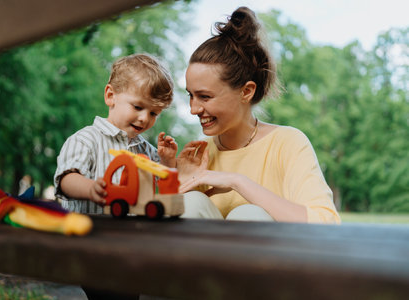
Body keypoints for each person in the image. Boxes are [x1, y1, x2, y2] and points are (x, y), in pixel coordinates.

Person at [174, 7, 340, 223]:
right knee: (192, 201)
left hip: (268, 256)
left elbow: (326, 223)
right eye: (191, 95)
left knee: (249, 214)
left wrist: (237, 181)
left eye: (204, 97)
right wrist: (180, 185)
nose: (194, 109)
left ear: (246, 91)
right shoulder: (200, 155)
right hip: (203, 256)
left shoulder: (288, 144)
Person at [54, 53, 177, 215]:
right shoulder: (85, 140)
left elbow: (163, 186)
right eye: (138, 107)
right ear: (110, 96)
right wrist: (90, 188)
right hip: (90, 232)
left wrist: (167, 160)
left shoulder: (147, 151)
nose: (144, 118)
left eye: (153, 113)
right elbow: (66, 179)